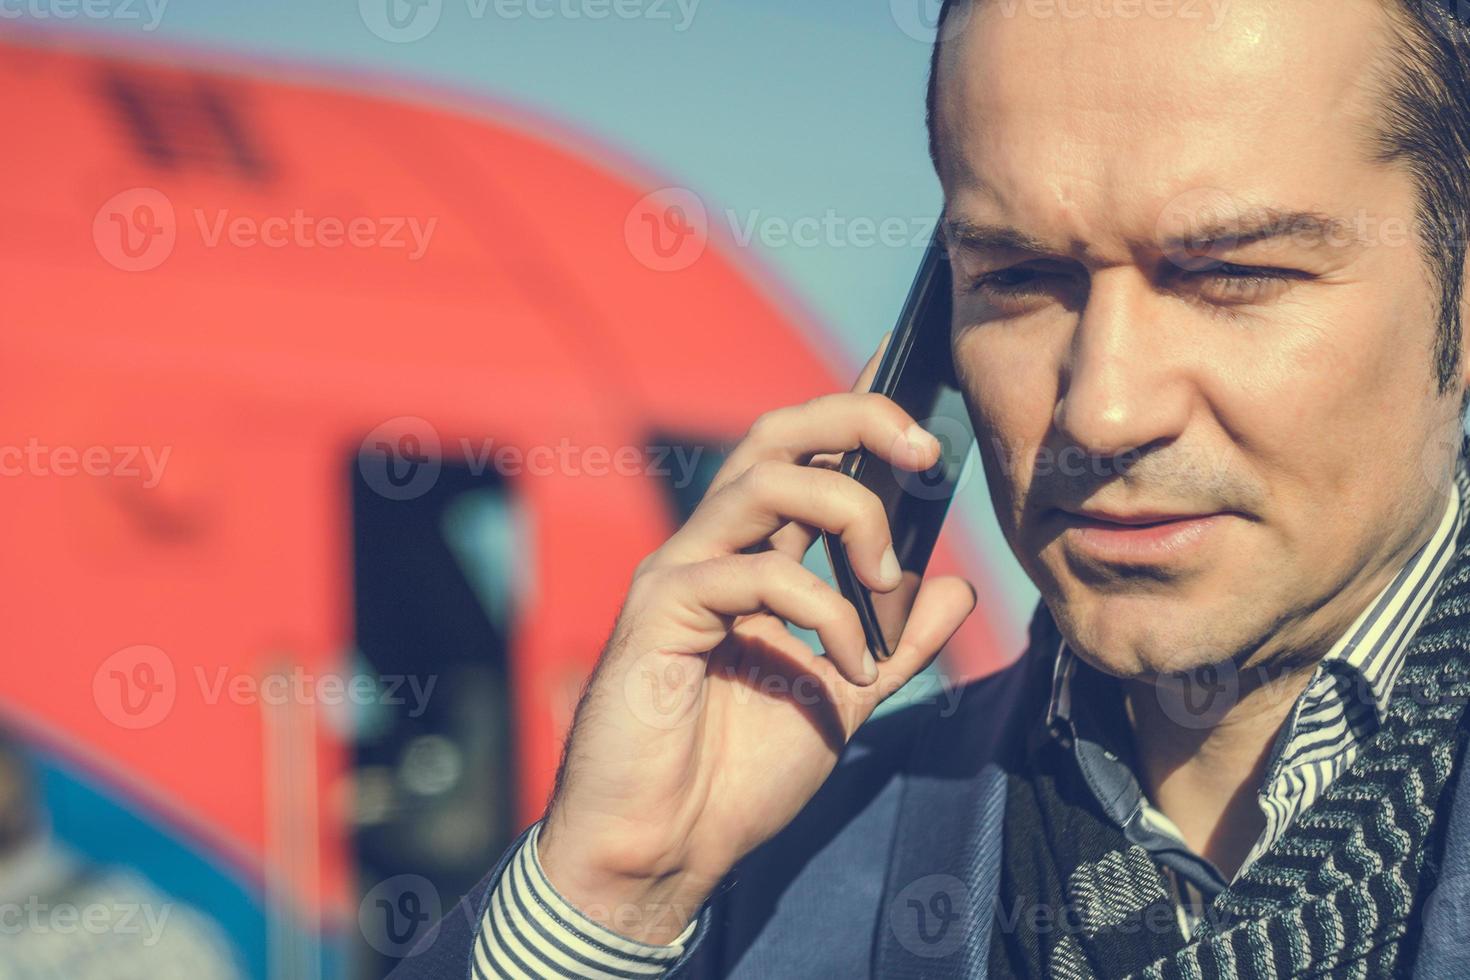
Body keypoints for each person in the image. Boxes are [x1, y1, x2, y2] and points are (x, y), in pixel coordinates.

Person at [390, 0, 1470, 975]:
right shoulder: (779, 862)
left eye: (1235, 273)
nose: (1100, 409)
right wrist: (609, 893)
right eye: (1016, 278)